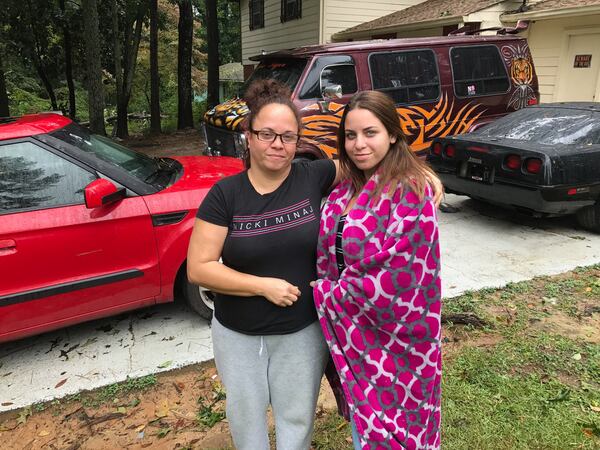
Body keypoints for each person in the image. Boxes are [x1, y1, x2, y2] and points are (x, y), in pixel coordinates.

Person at [186, 79, 338, 450]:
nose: (278, 144)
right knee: (246, 416)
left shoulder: (314, 176)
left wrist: (419, 179)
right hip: (238, 333)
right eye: (267, 134)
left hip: (302, 330)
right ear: (248, 137)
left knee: (297, 416)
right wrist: (262, 285)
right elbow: (200, 268)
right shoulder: (226, 194)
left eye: (288, 136)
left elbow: (373, 162)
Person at [312, 90, 442, 450]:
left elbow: (397, 282)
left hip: (397, 344)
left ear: (393, 134)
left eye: (370, 133)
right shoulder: (345, 189)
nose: (358, 144)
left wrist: (324, 293)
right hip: (356, 337)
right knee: (365, 424)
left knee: (393, 434)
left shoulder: (411, 192)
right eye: (350, 135)